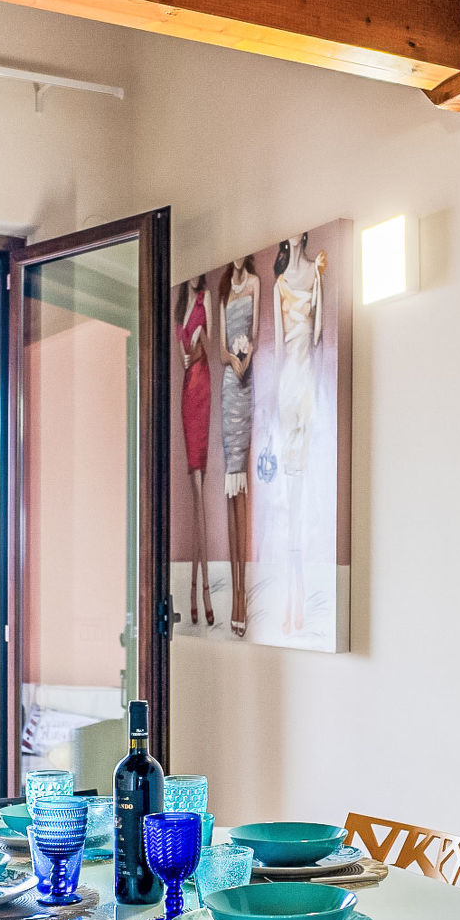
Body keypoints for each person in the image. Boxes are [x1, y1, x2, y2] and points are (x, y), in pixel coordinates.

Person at [271, 233, 325, 634]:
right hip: (290, 384)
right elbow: (277, 347)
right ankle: (291, 601)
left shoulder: (314, 275)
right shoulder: (278, 285)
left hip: (306, 383)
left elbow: (319, 336)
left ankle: (301, 599)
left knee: (303, 496)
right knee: (290, 499)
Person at [218, 257, 258, 638]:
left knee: (242, 483)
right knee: (230, 481)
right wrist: (234, 360)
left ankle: (243, 592)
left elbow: (255, 335)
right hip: (230, 384)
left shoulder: (256, 284)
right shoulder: (223, 291)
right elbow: (220, 350)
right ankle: (233, 591)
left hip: (246, 386)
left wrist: (246, 361)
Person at [175, 275, 215, 627]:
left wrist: (199, 343)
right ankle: (195, 588)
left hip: (202, 383)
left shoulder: (204, 300)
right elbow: (182, 356)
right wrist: (191, 349)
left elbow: (207, 346)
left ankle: (200, 588)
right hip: (188, 389)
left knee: (200, 482)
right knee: (194, 485)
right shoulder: (179, 309)